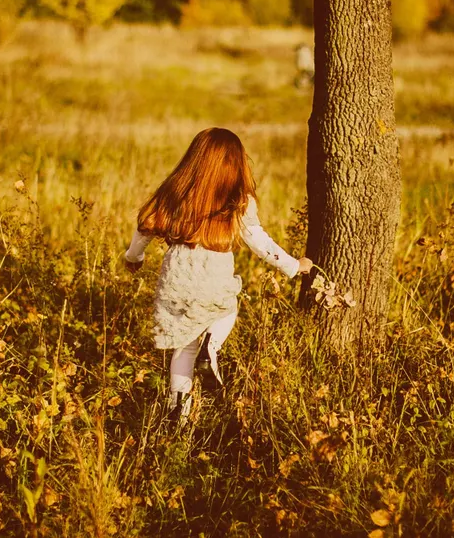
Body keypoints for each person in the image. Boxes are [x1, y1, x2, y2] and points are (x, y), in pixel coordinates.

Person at [123, 127, 312, 423]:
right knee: (227, 309)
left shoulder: (175, 191)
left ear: (194, 159)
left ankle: (179, 414)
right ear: (235, 163)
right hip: (214, 271)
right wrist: (291, 265)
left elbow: (144, 227)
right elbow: (258, 240)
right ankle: (211, 346)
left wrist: (134, 256)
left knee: (184, 345)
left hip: (176, 275)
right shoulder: (238, 199)